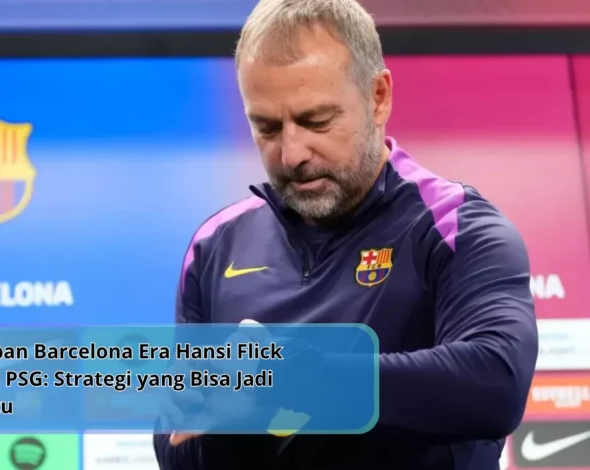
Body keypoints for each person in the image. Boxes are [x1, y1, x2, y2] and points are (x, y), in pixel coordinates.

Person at [152, 0, 538, 468]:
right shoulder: (215, 246)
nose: (292, 153)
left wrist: (296, 377)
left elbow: (496, 383)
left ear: (378, 97)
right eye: (267, 128)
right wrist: (239, 416)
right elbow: (178, 447)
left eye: (316, 121)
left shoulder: (455, 227)